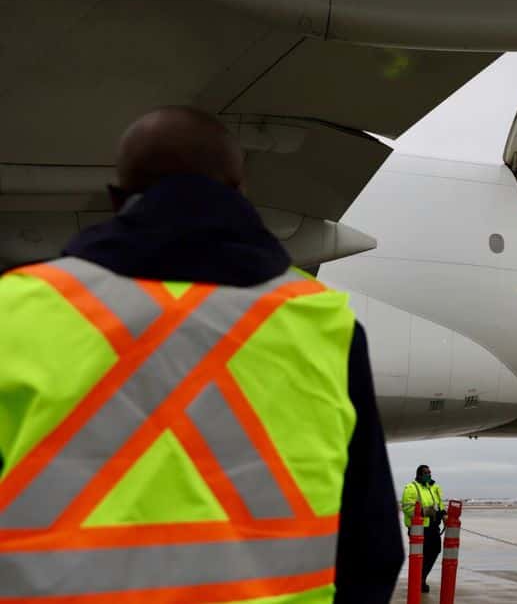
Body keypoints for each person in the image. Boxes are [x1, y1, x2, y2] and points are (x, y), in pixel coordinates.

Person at [0, 106, 403, 603]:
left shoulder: (16, 311)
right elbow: (373, 547)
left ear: (116, 199)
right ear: (240, 192)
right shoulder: (326, 326)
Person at [402, 465, 445, 593]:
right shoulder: (411, 488)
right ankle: (418, 580)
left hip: (433, 527)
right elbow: (407, 508)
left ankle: (421, 578)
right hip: (419, 529)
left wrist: (443, 514)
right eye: (426, 473)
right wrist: (426, 511)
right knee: (420, 556)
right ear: (419, 474)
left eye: (430, 472)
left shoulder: (434, 488)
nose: (429, 475)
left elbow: (439, 505)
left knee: (435, 551)